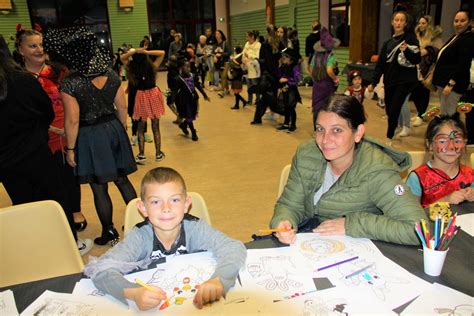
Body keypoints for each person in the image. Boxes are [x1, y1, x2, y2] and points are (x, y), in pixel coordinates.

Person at [270, 95, 426, 246]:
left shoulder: (377, 170)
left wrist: (352, 225)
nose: (325, 140)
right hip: (311, 242)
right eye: (320, 129)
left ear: (358, 133)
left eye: (337, 130)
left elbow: (418, 229)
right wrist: (284, 221)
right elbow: (290, 204)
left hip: (356, 251)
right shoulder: (307, 154)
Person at [84, 167, 246, 311]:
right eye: (155, 202)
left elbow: (233, 248)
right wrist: (132, 292)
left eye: (174, 200)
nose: (166, 209)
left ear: (186, 204)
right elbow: (100, 270)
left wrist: (219, 280)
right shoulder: (139, 237)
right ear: (143, 208)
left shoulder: (195, 229)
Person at [44, 27, 138, 246]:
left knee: (98, 186)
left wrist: (70, 149)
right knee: (122, 180)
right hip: (113, 128)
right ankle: (142, 221)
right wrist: (119, 129)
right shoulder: (112, 74)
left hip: (89, 136)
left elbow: (73, 120)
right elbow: (122, 107)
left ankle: (110, 231)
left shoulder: (70, 82)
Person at [0, 34, 85, 251]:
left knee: (25, 203)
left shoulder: (53, 73)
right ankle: (67, 247)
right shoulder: (22, 79)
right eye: (32, 45)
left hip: (8, 162)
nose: (39, 49)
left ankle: (39, 249)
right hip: (36, 151)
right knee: (54, 200)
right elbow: (45, 111)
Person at [368, 10, 421, 145]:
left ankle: (389, 136)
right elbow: (380, 65)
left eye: (401, 20)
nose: (398, 22)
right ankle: (395, 126)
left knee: (396, 106)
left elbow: (416, 59)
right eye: (396, 20)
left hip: (405, 81)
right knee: (390, 109)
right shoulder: (388, 43)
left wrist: (407, 50)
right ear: (392, 22)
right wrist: (373, 83)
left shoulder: (410, 38)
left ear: (405, 23)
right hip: (390, 81)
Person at [406, 114, 474, 207]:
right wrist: (445, 201)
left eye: (457, 141)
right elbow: (410, 215)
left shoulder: (470, 175)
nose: (451, 147)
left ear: (464, 143)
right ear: (429, 144)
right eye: (442, 141)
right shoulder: (418, 178)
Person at [121, 44, 166, 162]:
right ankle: (158, 154)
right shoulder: (152, 67)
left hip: (141, 96)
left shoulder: (131, 67)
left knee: (140, 127)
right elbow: (162, 53)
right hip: (154, 94)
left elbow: (122, 58)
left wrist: (135, 51)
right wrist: (146, 52)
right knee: (156, 126)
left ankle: (141, 155)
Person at [432, 10, 474, 115]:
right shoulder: (457, 36)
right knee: (444, 112)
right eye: (456, 21)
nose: (458, 23)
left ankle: (451, 132)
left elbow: (463, 64)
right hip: (444, 82)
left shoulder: (467, 39)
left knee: (449, 114)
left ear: (469, 22)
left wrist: (451, 84)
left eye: (462, 21)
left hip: (453, 85)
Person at [410, 15, 442, 126]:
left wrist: (428, 51)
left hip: (427, 68)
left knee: (423, 92)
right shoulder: (417, 35)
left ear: (428, 24)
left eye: (423, 23)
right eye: (420, 23)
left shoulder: (434, 37)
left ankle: (421, 115)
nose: (421, 25)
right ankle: (420, 112)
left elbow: (438, 51)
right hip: (416, 67)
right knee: (414, 91)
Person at [310, 27, 340, 129]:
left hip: (317, 84)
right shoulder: (330, 56)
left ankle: (316, 129)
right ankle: (326, 127)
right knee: (328, 106)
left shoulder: (315, 56)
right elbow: (329, 70)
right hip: (327, 84)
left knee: (317, 107)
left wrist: (315, 77)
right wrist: (335, 78)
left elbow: (309, 68)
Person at [176, 59, 210, 141]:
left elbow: (198, 86)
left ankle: (183, 125)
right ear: (181, 68)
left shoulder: (193, 76)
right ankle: (193, 133)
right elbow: (175, 91)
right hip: (184, 100)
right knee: (189, 115)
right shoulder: (178, 79)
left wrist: (204, 94)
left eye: (189, 67)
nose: (188, 68)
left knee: (192, 114)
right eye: (185, 66)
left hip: (193, 99)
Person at [276, 47, 301, 132]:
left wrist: (287, 80)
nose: (283, 59)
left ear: (290, 59)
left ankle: (293, 124)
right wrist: (279, 66)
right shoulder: (284, 66)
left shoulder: (295, 67)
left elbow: (297, 80)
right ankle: (286, 123)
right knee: (286, 107)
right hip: (285, 89)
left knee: (291, 107)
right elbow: (279, 75)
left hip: (292, 91)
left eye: (285, 57)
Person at [242, 30, 261, 105]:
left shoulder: (258, 45)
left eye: (247, 36)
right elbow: (243, 53)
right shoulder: (247, 44)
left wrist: (249, 56)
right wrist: (244, 59)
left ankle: (258, 99)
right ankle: (250, 100)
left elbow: (257, 56)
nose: (246, 38)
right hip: (247, 67)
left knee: (255, 84)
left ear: (252, 37)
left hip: (254, 67)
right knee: (248, 85)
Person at [214, 30, 231, 98]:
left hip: (225, 62)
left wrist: (221, 55)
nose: (217, 35)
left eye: (218, 34)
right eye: (216, 34)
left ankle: (223, 91)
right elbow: (213, 53)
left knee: (223, 76)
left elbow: (229, 53)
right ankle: (227, 89)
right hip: (218, 63)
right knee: (223, 77)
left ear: (221, 35)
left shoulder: (225, 43)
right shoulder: (215, 45)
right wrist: (214, 56)